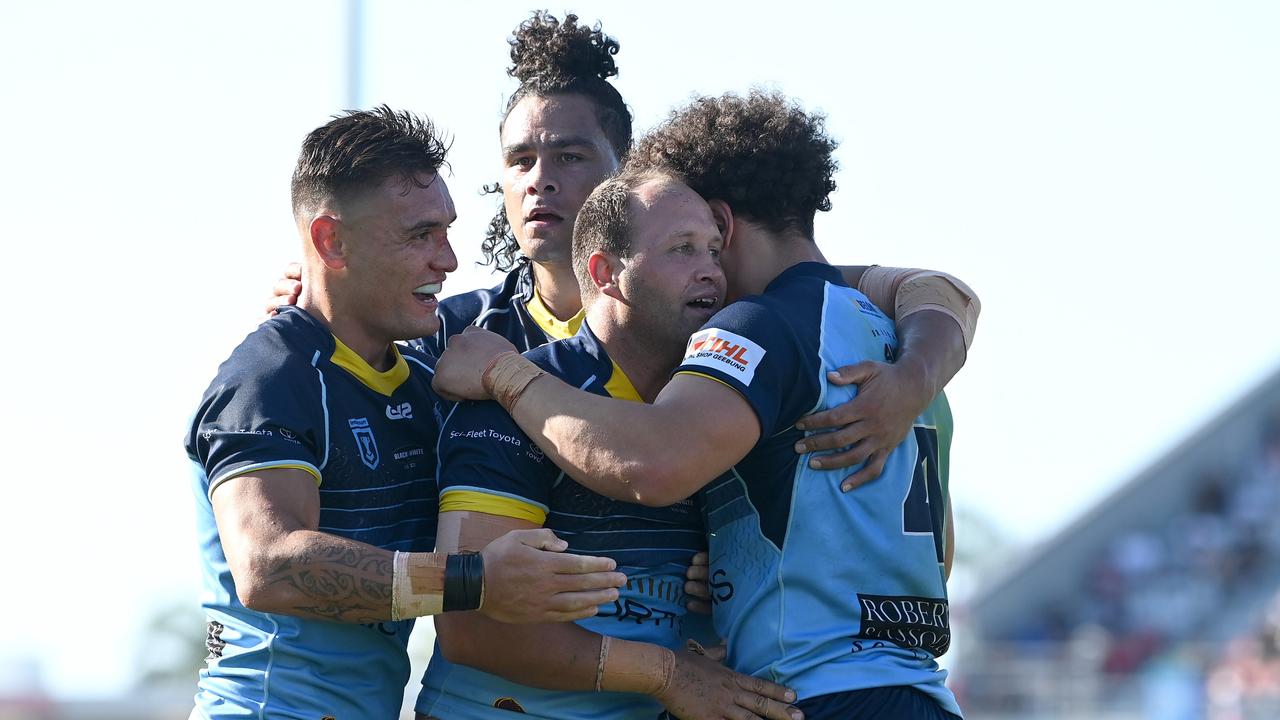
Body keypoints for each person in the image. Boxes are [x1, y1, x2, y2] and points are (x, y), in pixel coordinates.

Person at [266, 11, 981, 488]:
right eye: (519, 160)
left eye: (571, 156)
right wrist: (325, 302)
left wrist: (915, 378)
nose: (540, 178)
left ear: (628, 171)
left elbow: (936, 289)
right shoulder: (457, 332)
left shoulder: (718, 302)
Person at [433, 91, 967, 719]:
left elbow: (652, 461)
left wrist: (504, 375)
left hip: (817, 695)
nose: (708, 271)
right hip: (919, 692)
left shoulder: (760, 326)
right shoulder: (894, 337)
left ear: (724, 222)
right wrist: (734, 570)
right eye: (681, 247)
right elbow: (937, 553)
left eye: (705, 244)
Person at [185, 106, 625, 719]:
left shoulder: (423, 379)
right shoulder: (273, 374)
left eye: (446, 231)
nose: (447, 260)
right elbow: (269, 566)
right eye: (419, 236)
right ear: (330, 241)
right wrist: (474, 580)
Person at [418, 167, 801, 720]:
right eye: (682, 249)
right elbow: (470, 629)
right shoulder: (507, 400)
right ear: (607, 273)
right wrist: (666, 673)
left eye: (716, 252)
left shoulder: (719, 410)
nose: (711, 273)